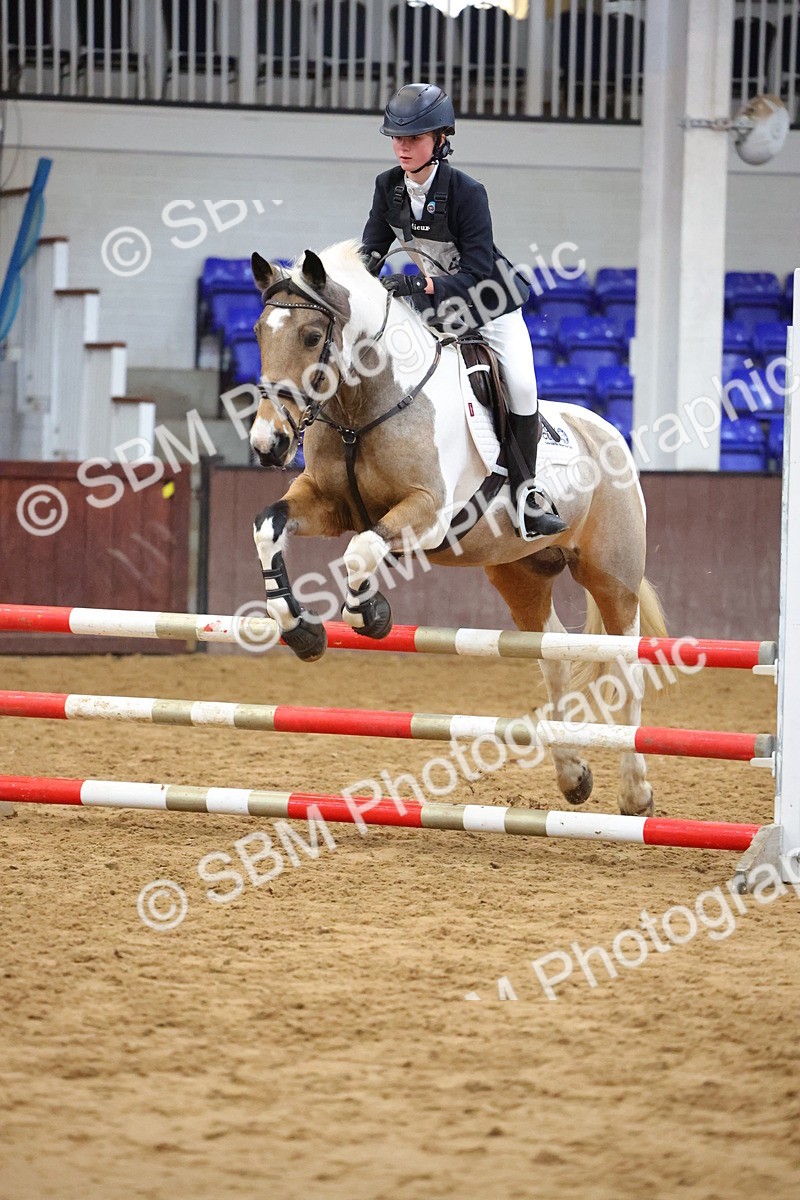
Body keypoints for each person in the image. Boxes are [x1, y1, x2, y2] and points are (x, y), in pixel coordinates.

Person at [361, 82, 567, 540]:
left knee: (521, 384)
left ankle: (527, 494)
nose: (402, 147)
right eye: (396, 138)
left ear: (440, 139)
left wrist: (415, 284)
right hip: (439, 312)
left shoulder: (468, 192)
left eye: (412, 138)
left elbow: (475, 272)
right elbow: (369, 254)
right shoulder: (387, 188)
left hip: (489, 305)